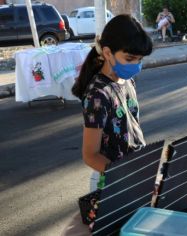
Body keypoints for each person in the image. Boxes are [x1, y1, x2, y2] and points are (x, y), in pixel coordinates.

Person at [72, 15, 153, 189]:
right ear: (108, 53)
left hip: (136, 174)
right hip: (114, 181)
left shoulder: (127, 80)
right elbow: (90, 155)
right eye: (130, 59)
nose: (136, 65)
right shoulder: (98, 94)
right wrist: (125, 175)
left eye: (140, 59)